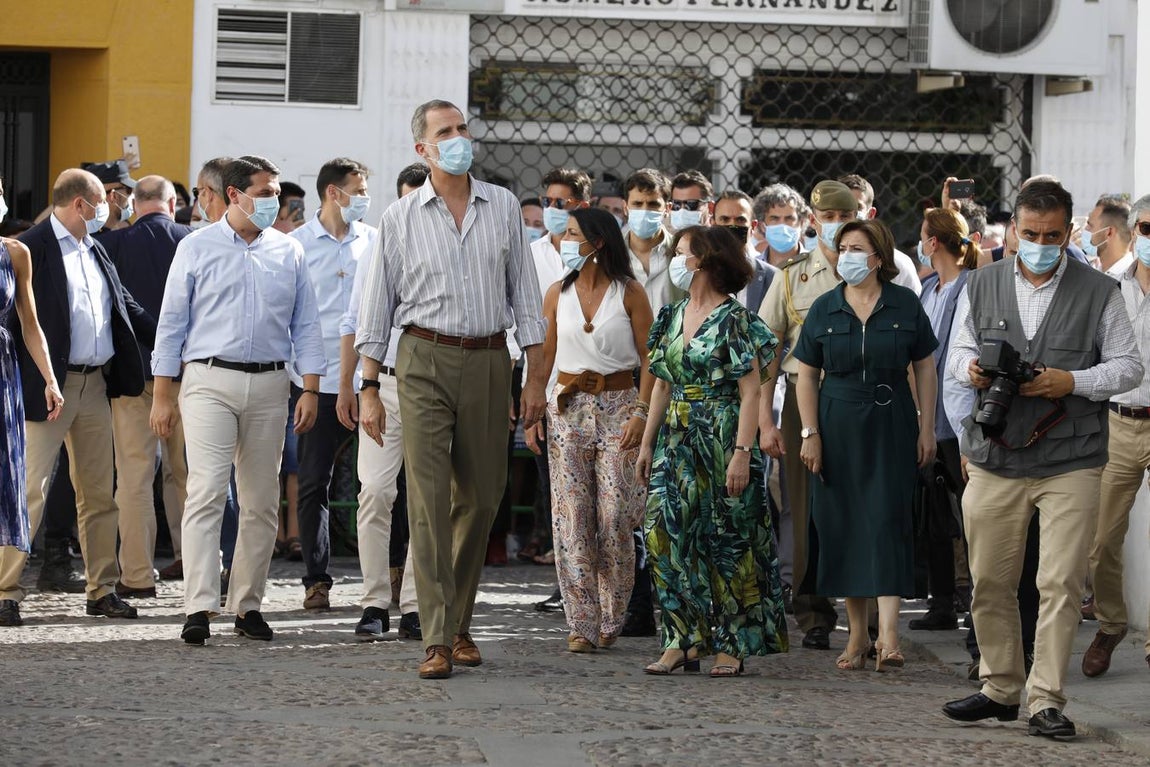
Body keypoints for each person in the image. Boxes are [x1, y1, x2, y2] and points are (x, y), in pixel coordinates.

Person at [942, 179, 1141, 740]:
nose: (1039, 244)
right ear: (1013, 231)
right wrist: (971, 372)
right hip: (993, 454)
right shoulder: (980, 286)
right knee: (989, 581)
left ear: (1069, 232)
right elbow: (955, 353)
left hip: (1071, 459)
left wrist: (1069, 380)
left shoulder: (1101, 290)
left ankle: (1046, 699)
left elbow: (1128, 368)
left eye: (1051, 235)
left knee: (1059, 583)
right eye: (1029, 234)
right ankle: (1000, 687)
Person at [355, 99, 546, 680]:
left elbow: (526, 298)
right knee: (429, 498)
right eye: (447, 131)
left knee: (483, 497)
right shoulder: (400, 216)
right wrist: (366, 385)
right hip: (421, 359)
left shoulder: (504, 205)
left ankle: (458, 621)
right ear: (423, 149)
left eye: (463, 127)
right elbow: (376, 307)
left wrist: (534, 377)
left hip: (491, 360)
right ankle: (436, 636)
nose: (460, 137)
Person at [151, 155, 326, 645]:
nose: (276, 200)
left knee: (262, 500)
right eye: (266, 191)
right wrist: (163, 395)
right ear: (234, 195)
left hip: (272, 384)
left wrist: (309, 386)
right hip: (207, 380)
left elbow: (306, 324)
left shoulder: (288, 251)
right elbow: (171, 324)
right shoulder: (195, 247)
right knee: (206, 490)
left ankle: (248, 605)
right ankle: (199, 606)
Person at [0, 168, 155, 627]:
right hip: (46, 386)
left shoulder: (96, 248)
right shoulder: (32, 247)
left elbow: (124, 305)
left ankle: (101, 589)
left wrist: (170, 337)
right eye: (104, 201)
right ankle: (6, 589)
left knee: (97, 494)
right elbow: (17, 321)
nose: (112, 208)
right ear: (81, 204)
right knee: (27, 490)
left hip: (94, 385)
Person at [637, 225, 788, 677]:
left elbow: (751, 392)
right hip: (676, 437)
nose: (675, 259)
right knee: (664, 533)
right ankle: (682, 638)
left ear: (703, 260)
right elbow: (662, 381)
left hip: (723, 435)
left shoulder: (735, 320)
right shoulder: (671, 314)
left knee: (727, 540)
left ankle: (732, 642)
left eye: (681, 252)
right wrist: (647, 442)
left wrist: (743, 452)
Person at [793, 218, 938, 672]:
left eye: (858, 247)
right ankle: (856, 634)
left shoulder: (905, 303)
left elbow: (925, 368)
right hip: (836, 424)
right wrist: (810, 433)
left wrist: (927, 426)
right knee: (843, 526)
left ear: (879, 256)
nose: (848, 255)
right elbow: (805, 375)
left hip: (890, 420)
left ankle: (889, 635)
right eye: (843, 247)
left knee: (887, 521)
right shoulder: (824, 308)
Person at [525, 207, 654, 652]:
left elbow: (651, 356)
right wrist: (533, 406)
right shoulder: (555, 294)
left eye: (574, 234)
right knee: (573, 517)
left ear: (598, 242)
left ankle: (613, 614)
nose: (564, 240)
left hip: (620, 406)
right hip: (567, 407)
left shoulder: (630, 292)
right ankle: (581, 622)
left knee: (616, 516)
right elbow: (543, 355)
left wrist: (642, 411)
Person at [756, 179, 857, 652]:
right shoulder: (791, 275)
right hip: (801, 396)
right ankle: (813, 610)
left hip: (859, 397)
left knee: (861, 503)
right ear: (813, 223)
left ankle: (868, 609)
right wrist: (766, 421)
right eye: (827, 218)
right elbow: (768, 352)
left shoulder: (874, 269)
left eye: (843, 217)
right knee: (801, 505)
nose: (834, 226)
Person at [338, 166, 425, 641]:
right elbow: (354, 319)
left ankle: (414, 602)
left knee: (425, 498)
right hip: (383, 382)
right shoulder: (380, 244)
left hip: (431, 384)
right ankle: (374, 600)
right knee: (374, 490)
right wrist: (351, 386)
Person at [288, 158, 375, 611]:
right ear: (332, 193)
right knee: (313, 482)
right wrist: (303, 378)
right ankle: (316, 579)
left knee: (381, 483)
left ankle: (389, 573)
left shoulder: (375, 241)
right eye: (357, 189)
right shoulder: (297, 245)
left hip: (370, 380)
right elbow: (290, 315)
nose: (364, 198)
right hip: (316, 379)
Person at [100, 175, 192, 598]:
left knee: (135, 476)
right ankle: (196, 568)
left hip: (132, 373)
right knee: (190, 476)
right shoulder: (191, 240)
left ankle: (136, 575)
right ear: (172, 204)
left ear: (136, 205)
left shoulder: (113, 245)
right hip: (185, 373)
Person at [1081, 193, 1150, 678]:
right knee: (1101, 541)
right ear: (1134, 231)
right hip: (1119, 422)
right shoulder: (1107, 288)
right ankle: (1110, 623)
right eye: (1148, 228)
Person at [908, 208, 980, 633]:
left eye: (923, 236)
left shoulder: (973, 285)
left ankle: (974, 602)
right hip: (927, 415)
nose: (921, 242)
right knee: (934, 509)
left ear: (934, 243)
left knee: (971, 513)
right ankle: (939, 602)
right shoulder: (929, 288)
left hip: (959, 415)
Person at [0, 176, 64, 626]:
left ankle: (4, 590)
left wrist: (49, 378)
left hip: (2, 378)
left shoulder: (14, 252)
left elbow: (30, 323)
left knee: (7, 480)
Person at [81, 160, 136, 232]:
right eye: (129, 190)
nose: (131, 195)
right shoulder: (88, 240)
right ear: (113, 196)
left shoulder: (84, 232)